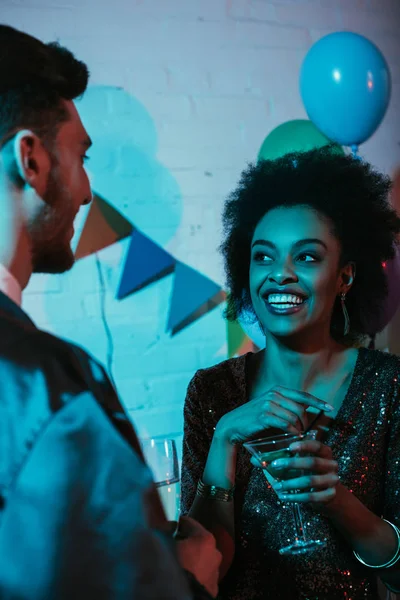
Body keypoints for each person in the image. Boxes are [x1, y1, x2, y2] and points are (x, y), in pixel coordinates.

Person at [0, 24, 221, 599]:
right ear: (31, 160)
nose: (88, 190)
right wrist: (191, 581)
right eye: (81, 155)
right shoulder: (46, 386)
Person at [181, 147, 400, 600]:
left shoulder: (389, 386)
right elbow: (202, 577)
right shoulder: (212, 390)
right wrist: (224, 436)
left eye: (306, 258)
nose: (280, 274)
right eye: (263, 257)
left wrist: (336, 500)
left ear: (345, 277)